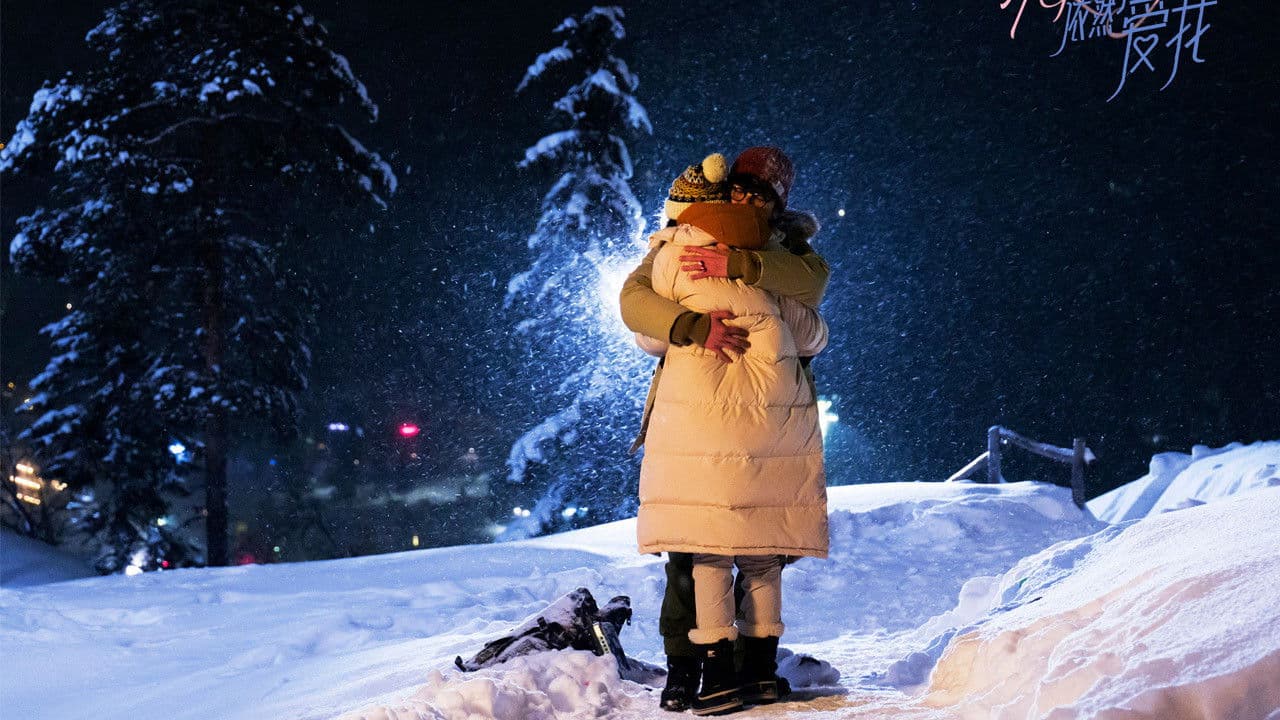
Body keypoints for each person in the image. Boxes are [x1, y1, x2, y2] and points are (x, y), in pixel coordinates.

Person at [620, 146, 831, 712]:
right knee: (693, 556)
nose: (745, 199)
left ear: (777, 204)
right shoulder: (685, 241)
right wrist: (691, 323)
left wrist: (744, 275)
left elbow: (813, 310)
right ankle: (688, 667)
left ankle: (734, 668)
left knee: (734, 549)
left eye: (759, 194)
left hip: (755, 415)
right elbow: (638, 309)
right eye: (740, 187)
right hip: (712, 414)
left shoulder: (782, 250)